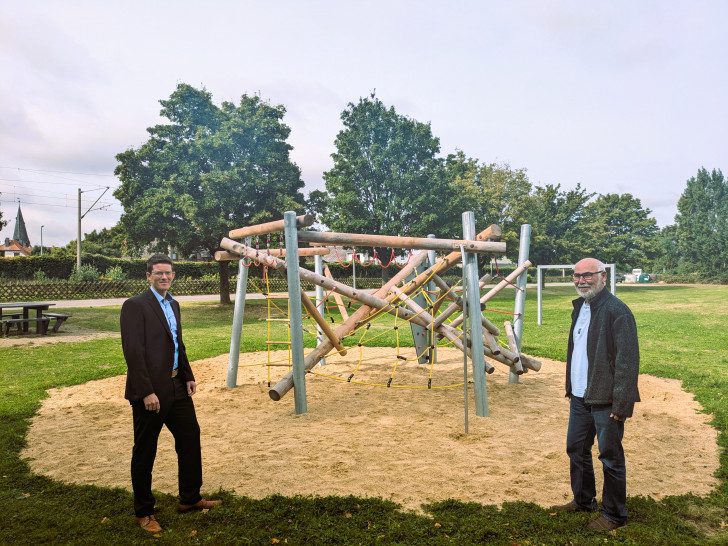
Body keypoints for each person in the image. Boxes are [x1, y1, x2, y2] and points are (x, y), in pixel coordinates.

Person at [120, 254, 221, 533]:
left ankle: (190, 498)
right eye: (158, 273)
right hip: (150, 392)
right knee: (145, 451)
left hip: (177, 387)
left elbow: (178, 344)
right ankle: (144, 513)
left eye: (168, 273)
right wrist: (146, 391)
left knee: (190, 438)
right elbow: (133, 352)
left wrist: (187, 376)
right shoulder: (135, 306)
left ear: (174, 275)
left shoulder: (173, 304)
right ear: (148, 275)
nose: (164, 277)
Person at [551, 258, 640, 531]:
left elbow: (628, 361)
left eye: (587, 275)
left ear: (603, 276)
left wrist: (621, 402)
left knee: (610, 457)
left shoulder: (617, 311)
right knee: (576, 449)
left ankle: (614, 516)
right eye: (577, 276)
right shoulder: (581, 307)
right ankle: (583, 500)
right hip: (579, 397)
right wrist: (572, 387)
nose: (581, 280)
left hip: (606, 400)